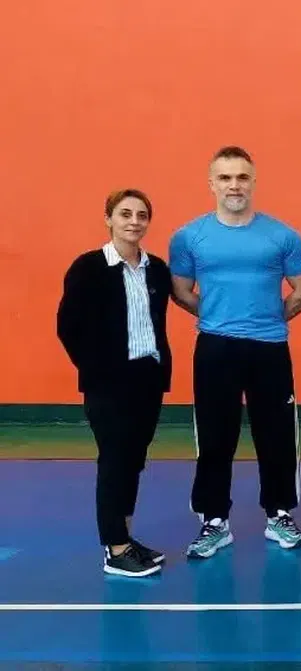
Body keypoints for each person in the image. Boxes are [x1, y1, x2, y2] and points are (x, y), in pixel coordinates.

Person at [169, 146, 301, 558]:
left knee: (277, 434)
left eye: (242, 177)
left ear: (253, 182)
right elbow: (180, 290)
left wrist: (269, 317)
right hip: (215, 346)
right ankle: (214, 521)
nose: (234, 185)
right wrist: (217, 316)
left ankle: (279, 513)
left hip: (269, 347)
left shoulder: (282, 236)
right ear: (211, 184)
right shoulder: (189, 237)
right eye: (225, 178)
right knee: (215, 435)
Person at [56, 189, 173, 577]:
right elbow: (67, 326)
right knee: (114, 461)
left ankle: (126, 537)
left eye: (141, 215)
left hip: (148, 380)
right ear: (108, 219)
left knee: (133, 461)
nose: (134, 221)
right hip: (108, 384)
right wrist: (97, 369)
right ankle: (115, 548)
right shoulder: (88, 267)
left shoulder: (157, 269)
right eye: (125, 214)